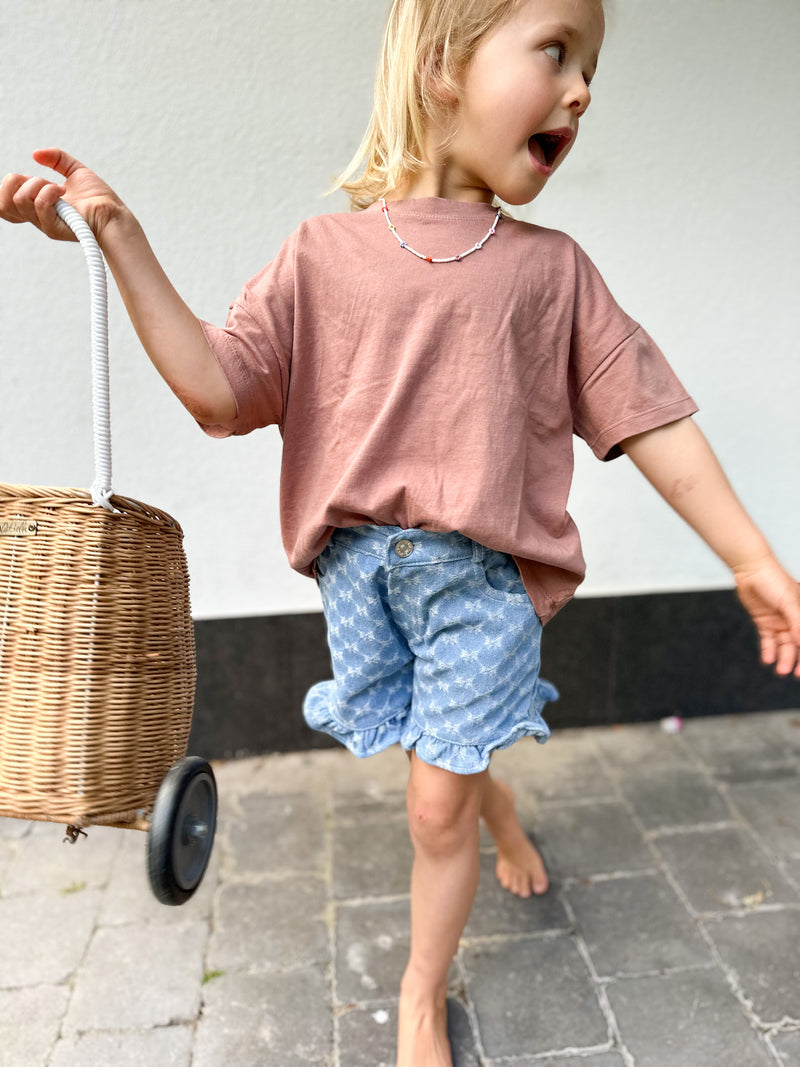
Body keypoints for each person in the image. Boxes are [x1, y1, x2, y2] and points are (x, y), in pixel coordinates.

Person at [2, 0, 799, 1062]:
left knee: (430, 807)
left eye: (590, 65)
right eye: (555, 52)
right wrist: (119, 235)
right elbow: (217, 390)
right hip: (360, 583)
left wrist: (748, 556)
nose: (582, 90)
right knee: (440, 758)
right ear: (440, 68)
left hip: (485, 588)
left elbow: (648, 413)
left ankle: (422, 990)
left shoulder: (550, 272)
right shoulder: (320, 256)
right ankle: (491, 802)